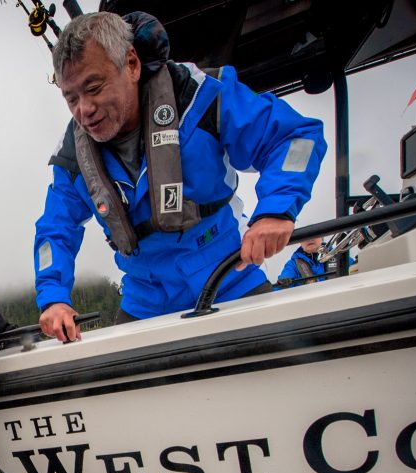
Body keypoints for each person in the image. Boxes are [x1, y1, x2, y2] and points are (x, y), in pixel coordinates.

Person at [34, 11, 327, 342]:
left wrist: (275, 210)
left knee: (290, 364)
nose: (83, 109)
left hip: (230, 280)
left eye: (94, 87)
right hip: (144, 303)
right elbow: (54, 230)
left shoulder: (200, 96)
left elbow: (295, 139)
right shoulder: (73, 155)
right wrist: (53, 297)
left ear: (131, 64)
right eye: (71, 98)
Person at [275, 236, 353, 288]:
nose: (309, 239)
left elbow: (355, 269)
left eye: (314, 236)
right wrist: (283, 283)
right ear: (300, 242)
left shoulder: (339, 257)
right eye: (304, 237)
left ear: (322, 238)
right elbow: (283, 282)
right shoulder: (293, 265)